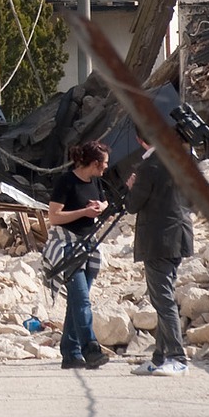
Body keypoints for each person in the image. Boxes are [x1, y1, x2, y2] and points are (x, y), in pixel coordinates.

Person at [123, 134, 193, 376]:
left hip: (157, 240)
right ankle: (159, 357)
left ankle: (177, 356)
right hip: (179, 236)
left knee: (162, 300)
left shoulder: (149, 165)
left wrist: (131, 188)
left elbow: (133, 205)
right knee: (165, 296)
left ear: (140, 139)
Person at [47, 140, 113, 370]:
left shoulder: (95, 181)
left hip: (89, 247)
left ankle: (70, 352)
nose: (106, 167)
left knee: (76, 302)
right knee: (82, 300)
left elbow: (104, 203)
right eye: (104, 164)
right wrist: (84, 212)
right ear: (94, 163)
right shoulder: (66, 182)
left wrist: (100, 207)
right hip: (67, 248)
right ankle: (90, 348)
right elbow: (54, 216)